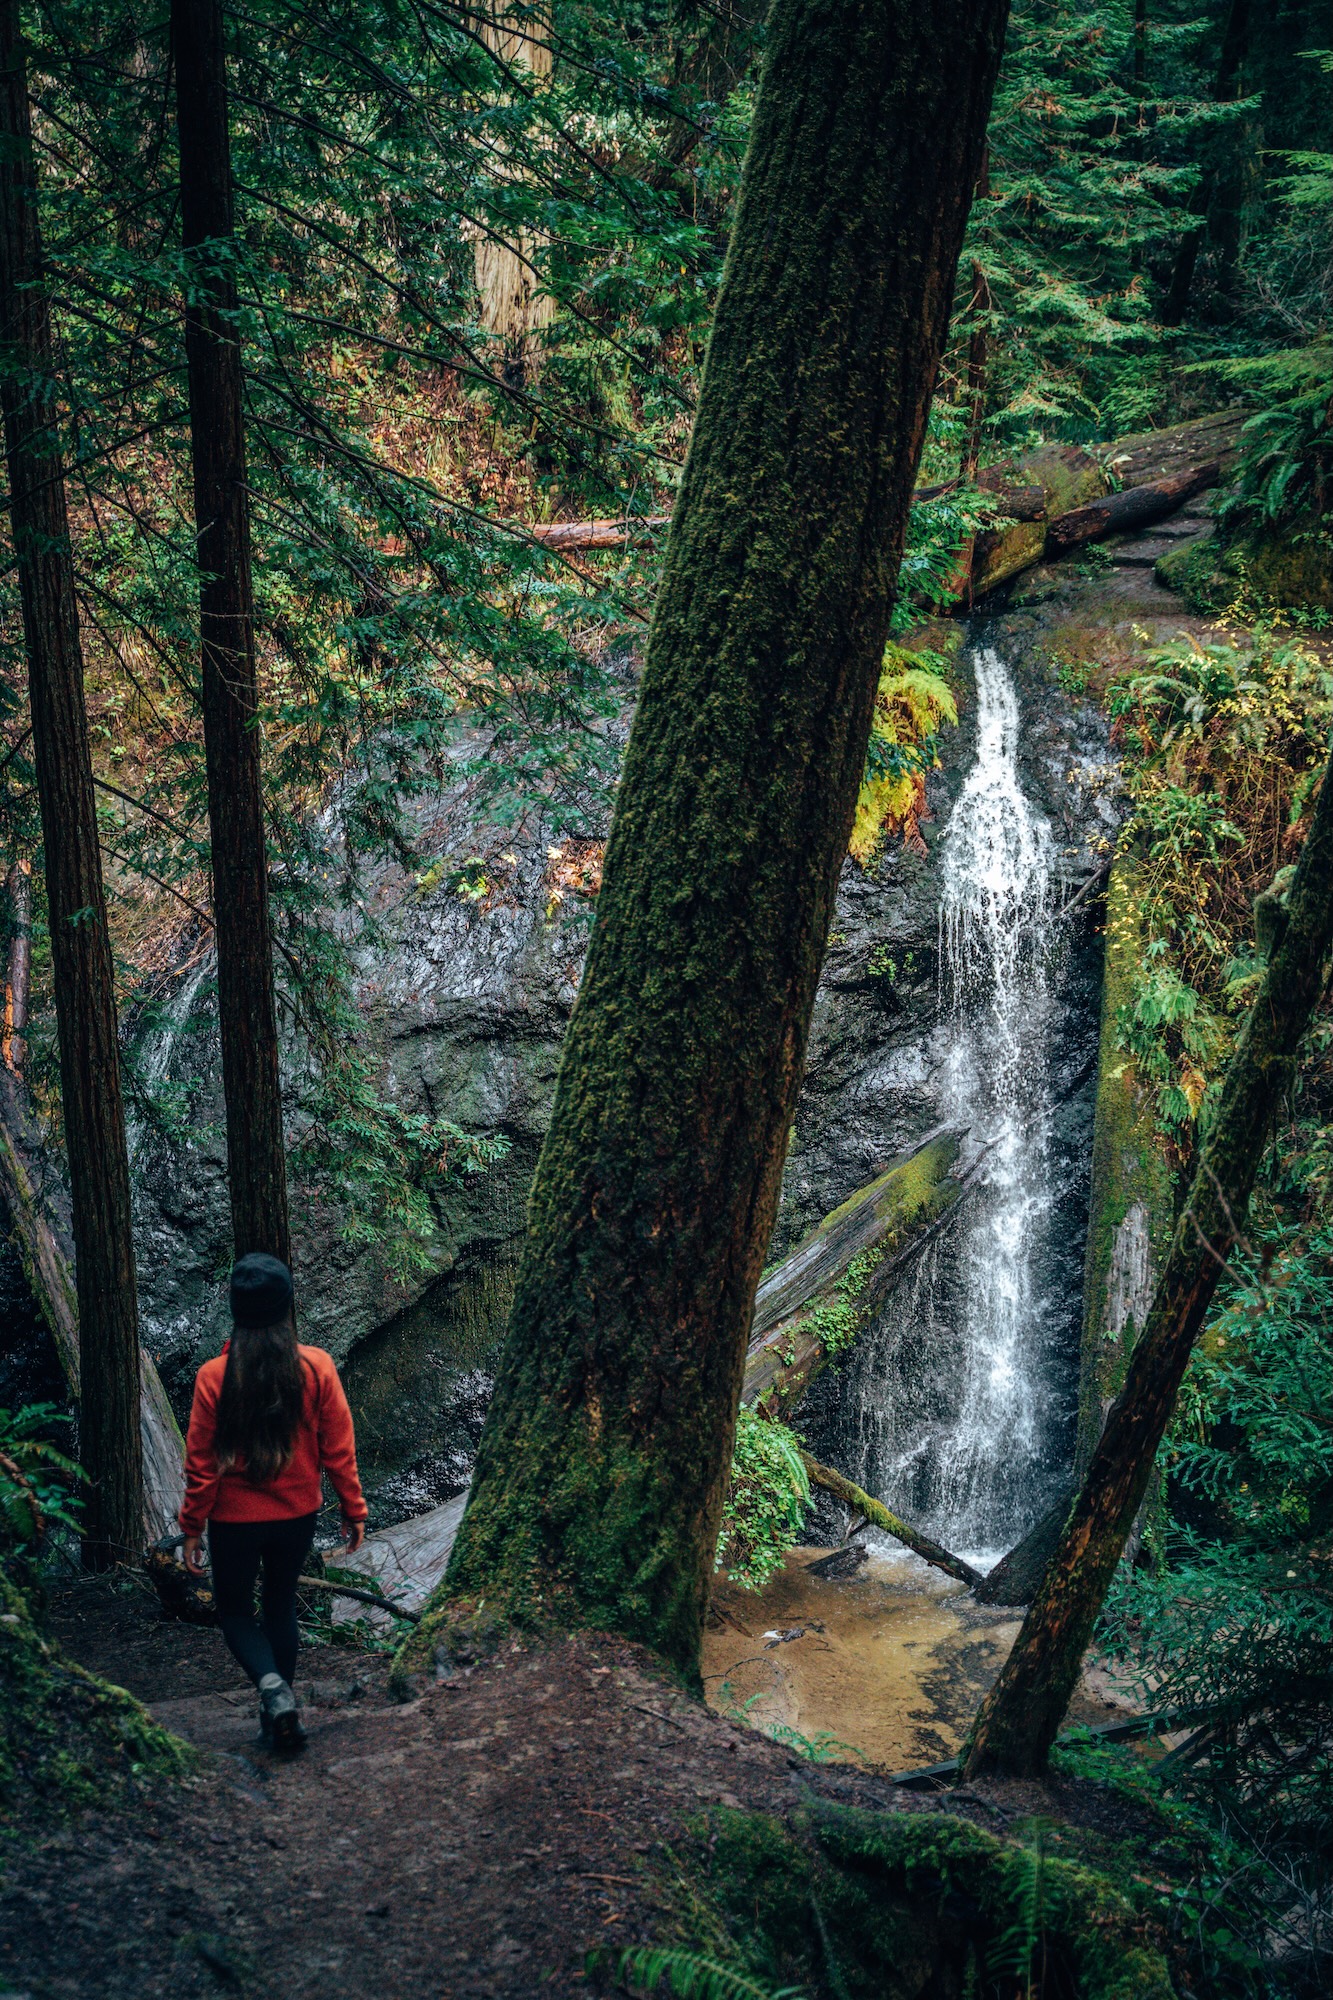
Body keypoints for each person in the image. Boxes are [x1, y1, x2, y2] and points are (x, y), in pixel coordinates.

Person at [179, 1253, 368, 1752]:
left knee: (237, 1613)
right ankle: (280, 1710)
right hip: (296, 1515)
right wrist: (353, 1509)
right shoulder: (317, 1367)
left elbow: (201, 1463)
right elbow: (338, 1448)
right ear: (287, 1307)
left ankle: (271, 1691)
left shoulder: (213, 1377)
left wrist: (192, 1526)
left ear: (237, 1310)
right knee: (280, 1607)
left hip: (233, 1521)